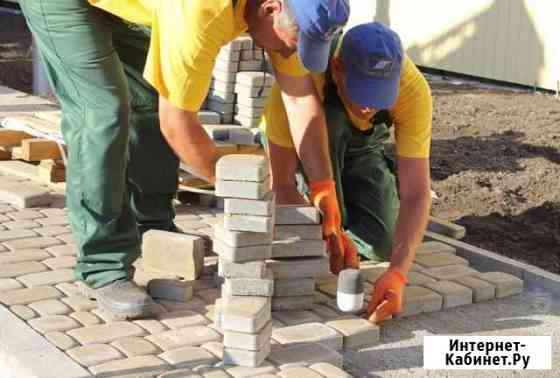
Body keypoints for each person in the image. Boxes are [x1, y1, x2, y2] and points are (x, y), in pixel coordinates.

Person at [19, 0, 349, 319]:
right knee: (103, 112)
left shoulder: (291, 9)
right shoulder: (201, 10)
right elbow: (177, 125)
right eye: (292, 45)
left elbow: (300, 97)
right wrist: (246, 198)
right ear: (270, 8)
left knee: (149, 96)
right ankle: (103, 265)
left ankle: (153, 224)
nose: (290, 54)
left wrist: (323, 186)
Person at [260, 22, 433, 323]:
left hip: (361, 148)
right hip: (301, 143)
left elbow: (417, 193)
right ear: (337, 68)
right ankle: (327, 214)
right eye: (362, 91)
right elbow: (282, 185)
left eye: (379, 96)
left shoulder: (413, 89)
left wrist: (397, 274)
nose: (369, 106)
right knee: (333, 124)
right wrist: (326, 229)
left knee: (382, 246)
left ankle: (345, 223)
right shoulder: (302, 72)